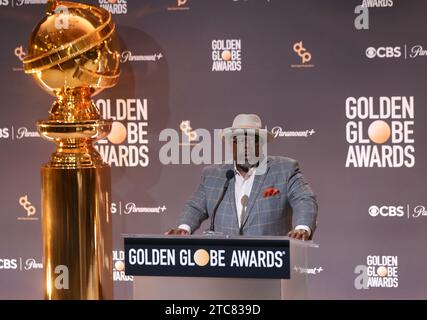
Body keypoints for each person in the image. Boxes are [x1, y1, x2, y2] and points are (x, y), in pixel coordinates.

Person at [166, 114, 318, 240]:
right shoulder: (213, 175)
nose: (245, 145)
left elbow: (304, 199)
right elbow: (195, 206)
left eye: (251, 139)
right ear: (231, 144)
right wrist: (183, 228)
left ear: (262, 143)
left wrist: (302, 228)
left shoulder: (284, 169)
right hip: (225, 266)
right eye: (238, 139)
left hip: (269, 265)